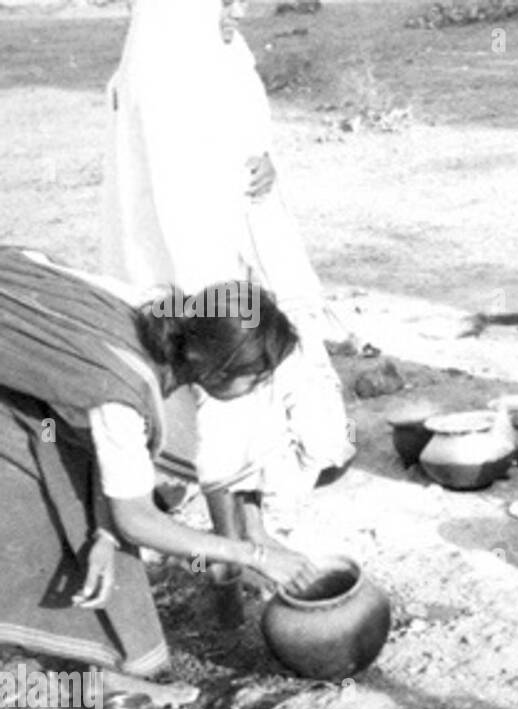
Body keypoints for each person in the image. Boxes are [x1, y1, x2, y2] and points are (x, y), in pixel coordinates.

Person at [0, 246, 322, 697]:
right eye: (255, 377)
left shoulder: (153, 316)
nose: (259, 388)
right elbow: (137, 519)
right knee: (36, 501)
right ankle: (87, 676)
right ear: (216, 369)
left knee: (82, 498)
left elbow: (101, 449)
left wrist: (105, 536)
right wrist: (254, 556)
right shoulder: (121, 393)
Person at [101, 0, 355, 570]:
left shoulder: (207, 33)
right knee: (222, 362)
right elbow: (174, 203)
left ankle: (244, 522)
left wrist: (261, 160)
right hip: (192, 256)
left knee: (247, 363)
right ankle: (235, 541)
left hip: (229, 237)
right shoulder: (163, 47)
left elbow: (237, 110)